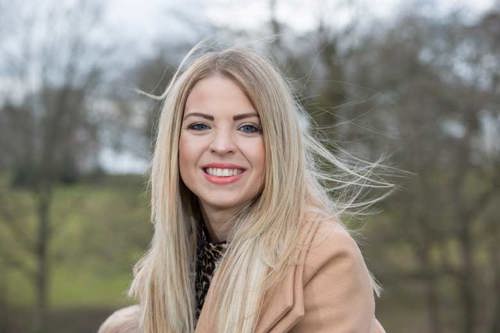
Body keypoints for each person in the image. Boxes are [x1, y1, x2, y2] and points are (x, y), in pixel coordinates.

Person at [98, 44, 392, 333]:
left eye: (248, 128)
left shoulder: (325, 256)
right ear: (174, 142)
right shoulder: (177, 260)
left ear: (278, 144)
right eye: (200, 126)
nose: (222, 146)